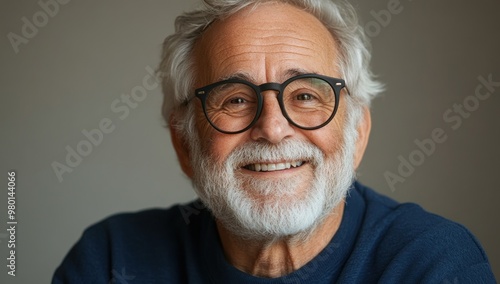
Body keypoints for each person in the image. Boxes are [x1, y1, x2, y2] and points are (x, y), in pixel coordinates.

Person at [53, 0, 496, 283]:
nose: (272, 127)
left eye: (305, 95)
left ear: (356, 133)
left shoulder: (432, 264)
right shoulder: (109, 261)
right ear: (184, 145)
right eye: (235, 99)